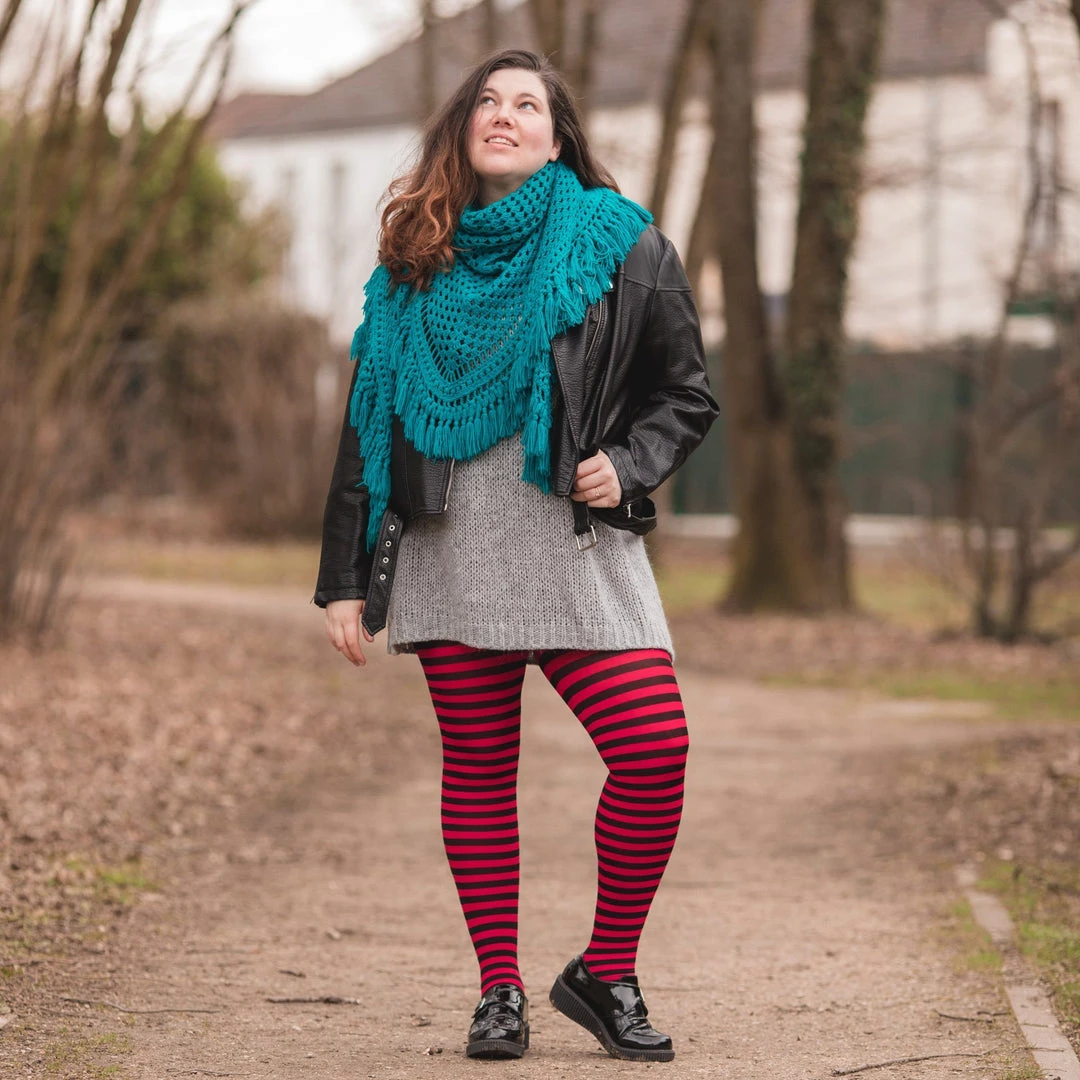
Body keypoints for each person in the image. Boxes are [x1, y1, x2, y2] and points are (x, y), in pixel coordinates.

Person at [313, 48, 718, 1062]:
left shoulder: (622, 245)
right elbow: (366, 429)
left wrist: (630, 464)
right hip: (450, 548)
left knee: (654, 748)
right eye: (487, 101)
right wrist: (345, 583)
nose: (505, 115)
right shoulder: (411, 265)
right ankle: (498, 989)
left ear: (556, 135)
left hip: (577, 546)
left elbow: (686, 394)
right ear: (463, 129)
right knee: (481, 773)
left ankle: (606, 970)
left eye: (527, 104)